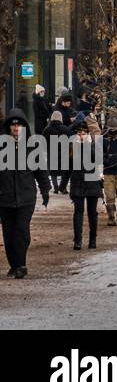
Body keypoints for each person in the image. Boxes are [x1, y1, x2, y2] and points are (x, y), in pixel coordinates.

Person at [0, 110, 50, 278]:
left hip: (26, 196)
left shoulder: (31, 146)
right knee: (9, 233)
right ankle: (14, 264)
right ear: (8, 127)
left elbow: (41, 171)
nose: (16, 128)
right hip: (4, 198)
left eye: (19, 124)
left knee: (22, 230)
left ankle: (21, 264)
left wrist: (45, 190)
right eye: (13, 125)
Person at [68, 121, 102, 250]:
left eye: (84, 134)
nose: (81, 136)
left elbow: (98, 160)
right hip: (77, 183)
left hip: (92, 182)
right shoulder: (71, 147)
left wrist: (88, 145)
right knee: (78, 212)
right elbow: (67, 167)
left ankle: (93, 239)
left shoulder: (93, 145)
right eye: (79, 134)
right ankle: (77, 240)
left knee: (92, 212)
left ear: (88, 134)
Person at [43, 109, 71, 194]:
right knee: (64, 172)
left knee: (53, 171)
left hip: (52, 153)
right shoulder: (66, 129)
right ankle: (64, 188)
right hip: (64, 153)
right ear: (61, 118)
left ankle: (55, 188)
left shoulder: (47, 129)